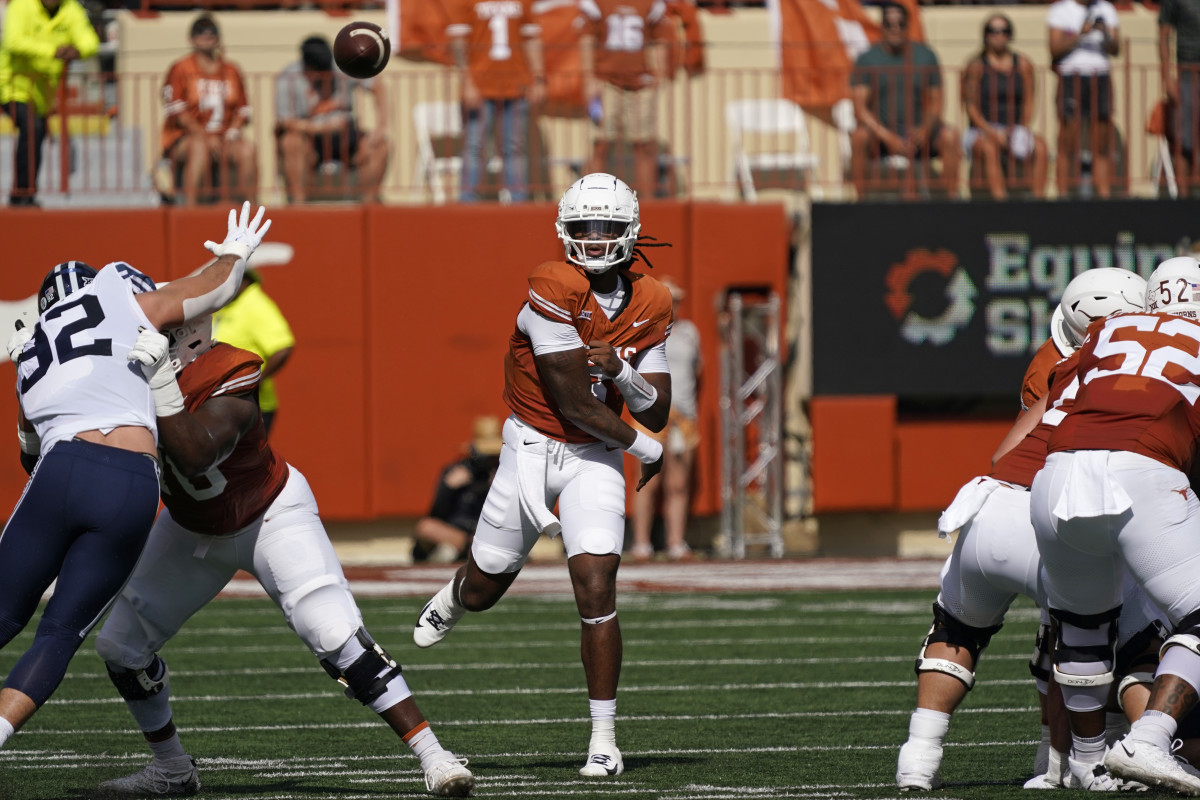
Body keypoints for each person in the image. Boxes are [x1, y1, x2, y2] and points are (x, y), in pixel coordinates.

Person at [92, 317, 474, 798]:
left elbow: (194, 456)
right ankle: (172, 769)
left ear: (185, 340)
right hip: (191, 527)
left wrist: (161, 387)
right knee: (120, 649)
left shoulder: (225, 371)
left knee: (334, 632)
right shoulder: (120, 377)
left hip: (269, 514)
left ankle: (434, 757)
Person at [412, 173, 670, 778]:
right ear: (564, 231)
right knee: (484, 588)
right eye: (584, 227)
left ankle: (603, 739)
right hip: (531, 449)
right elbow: (574, 399)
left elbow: (658, 404)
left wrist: (627, 380)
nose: (596, 238)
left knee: (597, 588)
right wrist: (646, 448)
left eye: (607, 227)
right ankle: (454, 594)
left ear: (629, 231)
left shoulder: (652, 301)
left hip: (594, 459)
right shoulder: (551, 287)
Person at [0, 201, 272, 753]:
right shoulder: (119, 300)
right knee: (58, 634)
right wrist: (236, 254)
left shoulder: (28, 353)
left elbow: (30, 458)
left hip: (62, 469)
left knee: (4, 611)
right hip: (131, 481)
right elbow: (213, 289)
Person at [896, 267, 1153, 791]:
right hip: (1060, 515)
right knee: (1122, 642)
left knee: (956, 631)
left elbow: (1006, 453)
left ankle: (917, 760)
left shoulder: (1067, 363)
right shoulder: (1159, 372)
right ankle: (1090, 761)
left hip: (991, 502)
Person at [1031, 256, 1200, 794]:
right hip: (1141, 472)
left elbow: (1055, 399)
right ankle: (1148, 739)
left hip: (1055, 475)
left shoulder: (1108, 328)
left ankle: (1087, 764)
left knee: (1081, 625)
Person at [849, 2, 960, 200]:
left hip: (919, 134)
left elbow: (937, 102)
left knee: (950, 136)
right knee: (859, 137)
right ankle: (861, 202)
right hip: (881, 137)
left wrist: (924, 130)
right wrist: (886, 136)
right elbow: (860, 108)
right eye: (889, 24)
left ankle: (951, 201)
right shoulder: (867, 59)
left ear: (908, 26)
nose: (895, 29)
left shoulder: (925, 55)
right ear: (881, 26)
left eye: (900, 24)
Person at [0, 0, 99, 207]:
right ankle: (22, 194)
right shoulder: (21, 5)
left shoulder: (71, 9)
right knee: (32, 128)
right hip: (10, 85)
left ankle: (25, 192)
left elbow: (90, 41)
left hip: (42, 93)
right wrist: (54, 51)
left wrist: (77, 50)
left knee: (36, 133)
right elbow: (13, 41)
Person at [630, 275, 701, 562]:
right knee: (648, 480)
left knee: (679, 482)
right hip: (652, 413)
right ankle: (642, 542)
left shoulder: (689, 332)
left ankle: (675, 540)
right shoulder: (644, 331)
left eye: (678, 300)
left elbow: (696, 370)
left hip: (683, 414)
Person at [446, 0, 545, 203]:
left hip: (516, 84)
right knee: (474, 146)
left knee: (515, 147)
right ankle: (467, 201)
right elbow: (458, 41)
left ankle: (518, 201)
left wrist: (538, 78)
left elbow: (531, 38)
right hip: (480, 85)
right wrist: (466, 82)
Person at [275, 35, 390, 204]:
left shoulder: (343, 66)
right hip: (310, 141)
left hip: (345, 138)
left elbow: (377, 86)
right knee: (290, 143)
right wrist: (321, 128)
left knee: (380, 146)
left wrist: (382, 126)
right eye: (315, 71)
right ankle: (298, 206)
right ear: (305, 65)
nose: (321, 76)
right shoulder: (288, 77)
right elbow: (284, 121)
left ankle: (368, 206)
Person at [159, 15, 257, 206]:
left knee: (247, 149)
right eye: (200, 31)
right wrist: (204, 136)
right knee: (199, 147)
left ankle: (250, 208)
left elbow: (243, 111)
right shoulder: (181, 68)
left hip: (223, 137)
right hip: (185, 138)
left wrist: (231, 134)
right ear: (191, 38)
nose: (207, 35)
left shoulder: (231, 70)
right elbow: (177, 111)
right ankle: (190, 208)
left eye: (212, 31)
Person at [579, 0, 672, 199]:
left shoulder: (651, 4)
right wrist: (589, 78)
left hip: (641, 82)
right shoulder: (597, 3)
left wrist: (660, 73)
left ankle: (647, 203)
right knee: (601, 143)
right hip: (606, 81)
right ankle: (594, 200)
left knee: (644, 144)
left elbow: (660, 37)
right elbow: (587, 38)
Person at [961, 14, 1048, 201]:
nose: (998, 36)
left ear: (1010, 35)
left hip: (1013, 128)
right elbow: (971, 107)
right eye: (993, 31)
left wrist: (1021, 130)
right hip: (982, 130)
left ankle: (1039, 207)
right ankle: (1002, 206)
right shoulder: (976, 65)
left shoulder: (1023, 64)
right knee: (989, 148)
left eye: (1004, 31)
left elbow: (1028, 102)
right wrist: (992, 133)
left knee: (1041, 147)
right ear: (985, 35)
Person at [1046, 0, 1120, 199]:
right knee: (1068, 138)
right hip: (1072, 76)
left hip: (1101, 76)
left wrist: (1105, 32)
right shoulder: (1060, 10)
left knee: (1102, 142)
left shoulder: (1106, 8)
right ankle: (1064, 196)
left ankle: (1103, 197)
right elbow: (1054, 48)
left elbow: (1115, 48)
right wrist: (1081, 34)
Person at [212, 269, 293, 435]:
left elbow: (282, 348)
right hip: (225, 403)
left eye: (230, 280)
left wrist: (254, 382)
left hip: (250, 406)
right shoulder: (228, 305)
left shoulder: (255, 304)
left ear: (245, 281)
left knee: (241, 460)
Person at [412, 416, 503, 564]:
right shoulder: (457, 471)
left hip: (486, 534)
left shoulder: (503, 474)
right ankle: (461, 549)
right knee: (426, 527)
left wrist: (499, 488)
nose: (490, 460)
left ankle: (466, 550)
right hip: (456, 533)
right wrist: (448, 488)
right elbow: (436, 514)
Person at [1160, 0, 1200, 196]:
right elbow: (1163, 36)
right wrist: (1167, 78)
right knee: (1185, 141)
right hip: (1187, 74)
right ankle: (1184, 202)